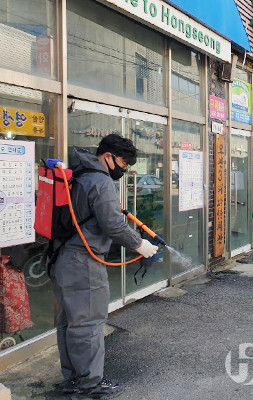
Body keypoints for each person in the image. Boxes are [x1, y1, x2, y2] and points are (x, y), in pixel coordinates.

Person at [50, 134, 158, 399]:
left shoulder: (79, 173)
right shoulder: (100, 181)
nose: (125, 169)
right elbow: (113, 225)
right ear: (107, 157)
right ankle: (90, 386)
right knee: (88, 324)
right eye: (123, 162)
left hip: (62, 257)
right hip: (83, 262)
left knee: (69, 323)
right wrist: (139, 245)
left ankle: (74, 379)